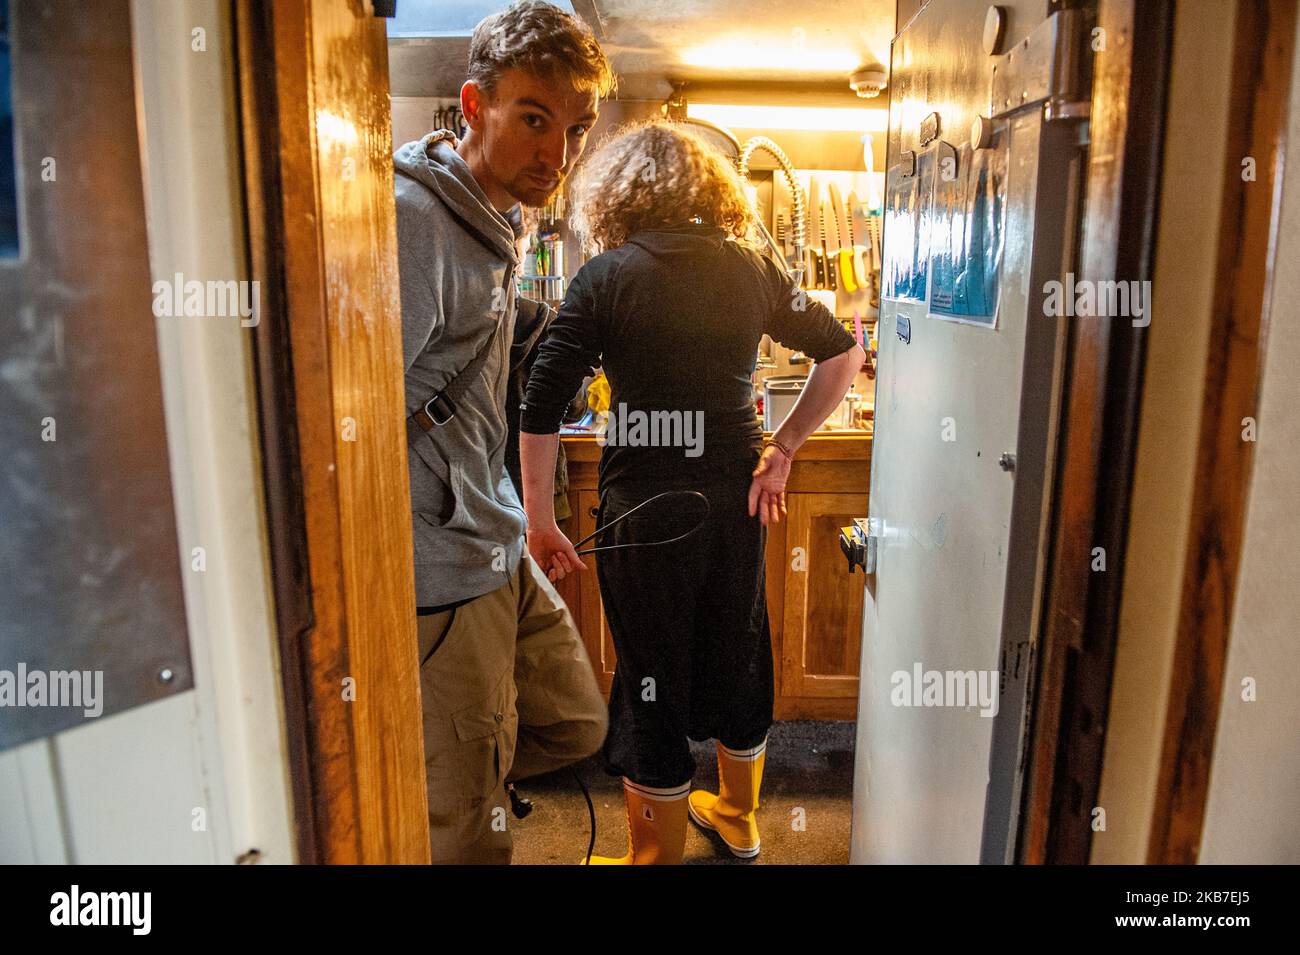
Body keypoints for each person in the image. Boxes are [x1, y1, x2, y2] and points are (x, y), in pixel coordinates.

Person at [518, 120, 866, 863]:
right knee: (737, 645)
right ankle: (738, 818)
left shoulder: (607, 274)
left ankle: (655, 856)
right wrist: (784, 447)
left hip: (643, 510)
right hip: (736, 498)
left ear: (618, 197)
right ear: (711, 190)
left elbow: (541, 401)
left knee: (650, 670)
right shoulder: (748, 266)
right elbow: (842, 351)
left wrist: (539, 518)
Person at [393, 0, 616, 864]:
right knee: (468, 835)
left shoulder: (495, 217)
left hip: (496, 543)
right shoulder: (418, 222)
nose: (556, 155)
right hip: (442, 572)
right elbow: (362, 420)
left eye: (576, 129)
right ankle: (453, 778)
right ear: (473, 105)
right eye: (534, 119)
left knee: (575, 717)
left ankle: (458, 763)